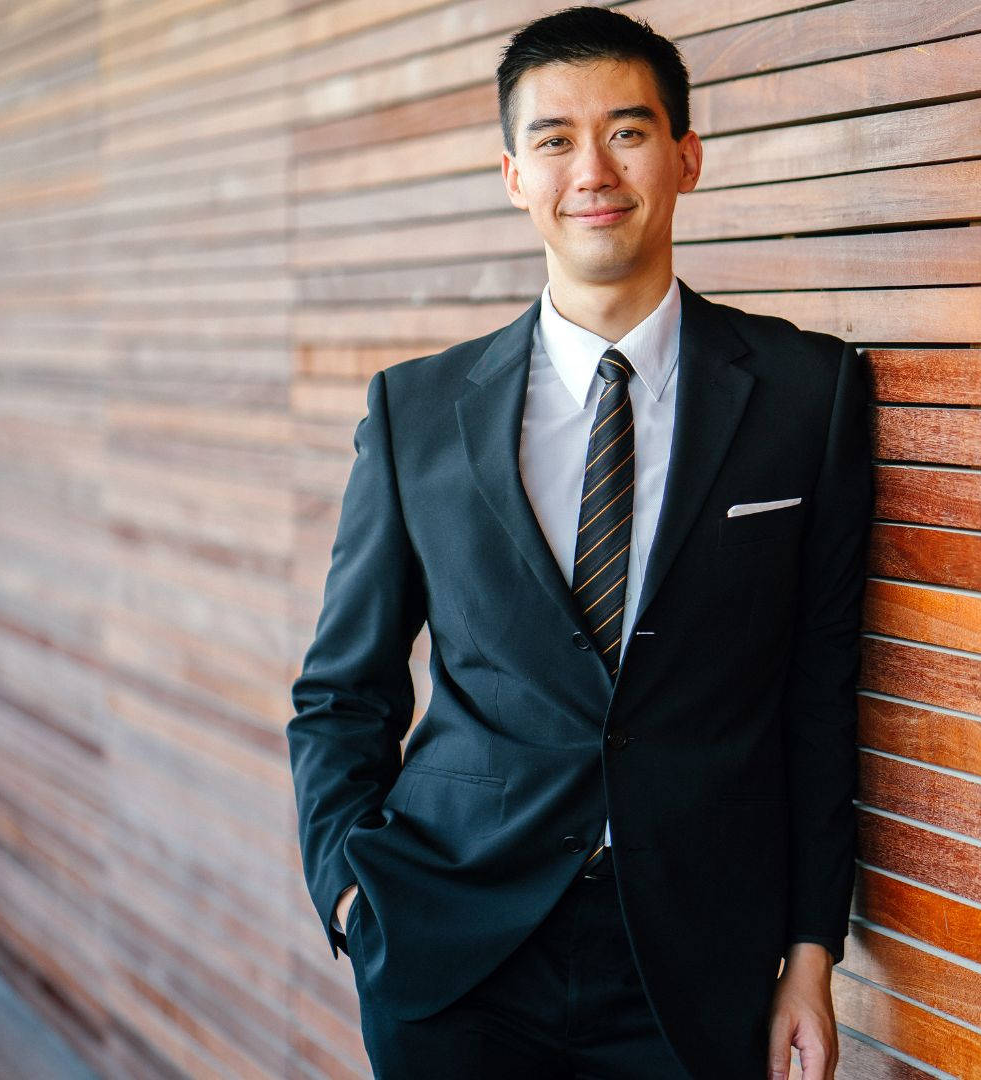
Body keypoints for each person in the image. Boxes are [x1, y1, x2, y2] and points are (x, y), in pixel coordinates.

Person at [286, 6, 870, 1078]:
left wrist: (809, 954)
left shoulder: (806, 395)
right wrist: (350, 890)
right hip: (451, 952)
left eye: (629, 131)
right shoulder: (418, 411)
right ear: (514, 175)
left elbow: (820, 696)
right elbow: (341, 689)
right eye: (553, 138)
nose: (592, 168)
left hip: (698, 965)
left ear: (688, 157)